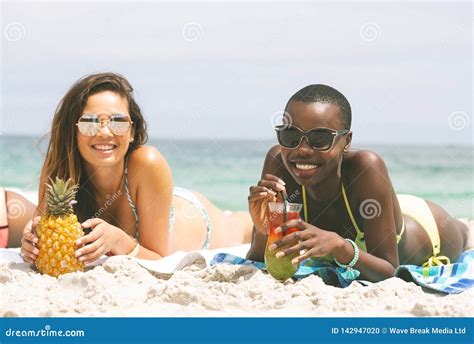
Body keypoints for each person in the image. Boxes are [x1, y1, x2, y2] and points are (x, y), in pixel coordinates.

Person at [18, 72, 252, 264]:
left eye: (118, 121)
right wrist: (32, 240)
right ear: (73, 130)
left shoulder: (147, 162)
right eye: (90, 122)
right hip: (160, 201)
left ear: (132, 131)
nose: (105, 132)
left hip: (200, 221)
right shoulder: (61, 167)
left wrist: (118, 240)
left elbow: (160, 259)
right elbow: (40, 229)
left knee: (243, 228)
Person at [246, 84, 471, 282]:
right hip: (381, 210)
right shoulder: (279, 163)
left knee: (463, 232)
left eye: (320, 139)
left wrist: (340, 246)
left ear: (347, 141)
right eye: (291, 137)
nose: (302, 150)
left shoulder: (366, 166)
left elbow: (389, 271)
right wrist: (263, 229)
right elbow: (258, 260)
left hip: (428, 228)